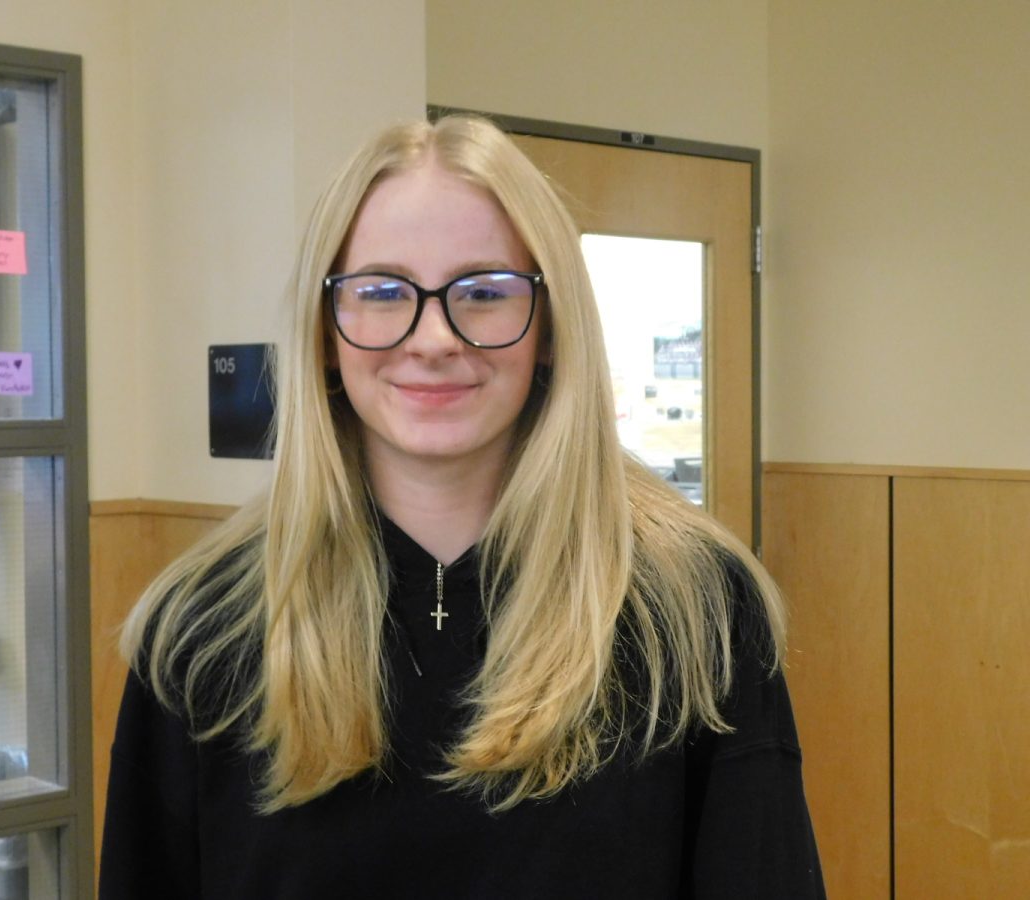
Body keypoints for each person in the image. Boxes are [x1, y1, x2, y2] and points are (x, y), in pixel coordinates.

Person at [100, 115, 825, 898]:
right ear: (324, 331)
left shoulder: (695, 610)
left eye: (483, 292)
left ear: (550, 327)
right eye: (381, 291)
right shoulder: (203, 629)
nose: (435, 336)